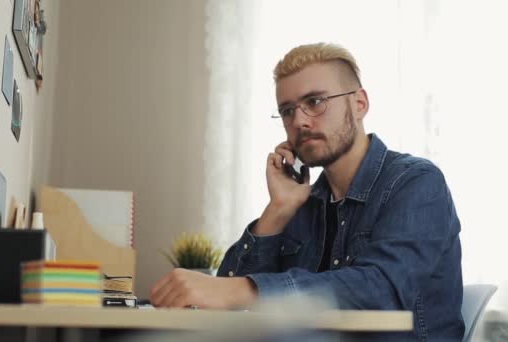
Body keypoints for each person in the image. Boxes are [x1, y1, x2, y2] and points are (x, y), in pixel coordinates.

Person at [150, 42, 464, 340]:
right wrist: (277, 212)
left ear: (359, 104)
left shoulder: (416, 182)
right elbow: (227, 299)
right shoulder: (305, 200)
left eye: (315, 102)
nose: (299, 121)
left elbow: (381, 288)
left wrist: (244, 290)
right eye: (287, 110)